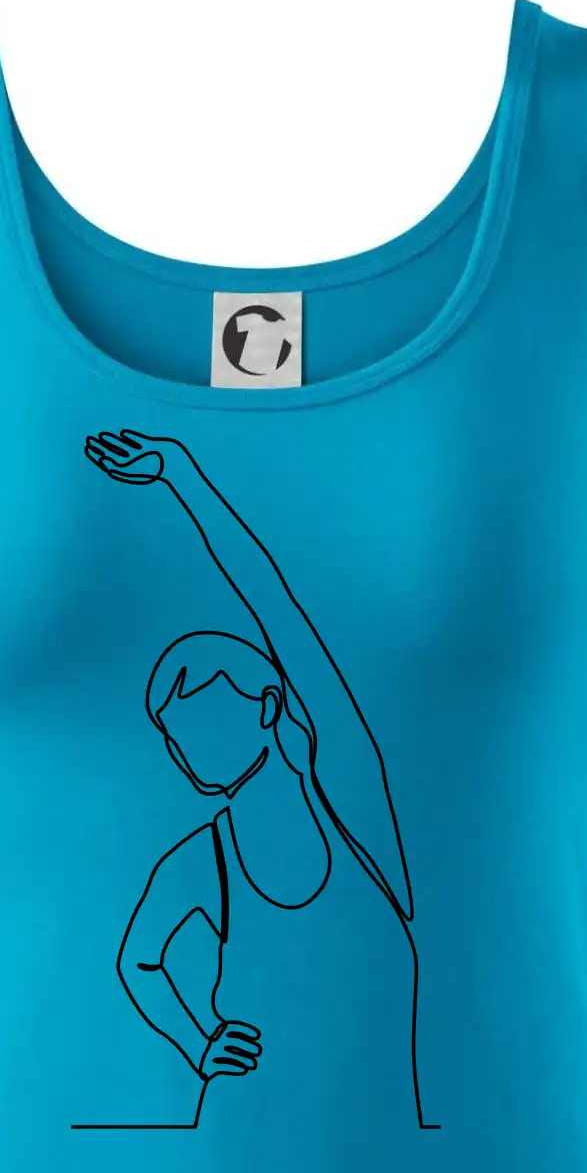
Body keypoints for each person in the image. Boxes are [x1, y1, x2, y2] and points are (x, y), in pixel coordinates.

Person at [85, 430, 433, 1129]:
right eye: (175, 737)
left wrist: (183, 477)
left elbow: (279, 613)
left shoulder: (354, 804)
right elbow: (138, 962)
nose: (186, 753)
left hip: (393, 1154)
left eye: (203, 725)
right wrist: (199, 1043)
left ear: (270, 706)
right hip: (228, 1136)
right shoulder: (201, 864)